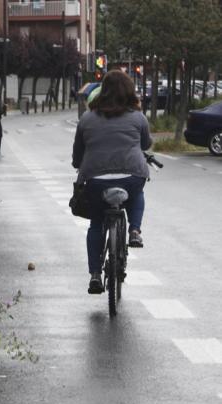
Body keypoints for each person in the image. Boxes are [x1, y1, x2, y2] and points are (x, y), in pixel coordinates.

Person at [72, 70, 152, 294]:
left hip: (95, 181)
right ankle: (135, 231)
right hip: (132, 177)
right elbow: (145, 144)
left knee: (96, 223)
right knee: (137, 194)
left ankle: (95, 275)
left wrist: (79, 165)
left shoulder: (87, 118)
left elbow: (78, 154)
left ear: (102, 91)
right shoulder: (138, 117)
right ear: (129, 92)